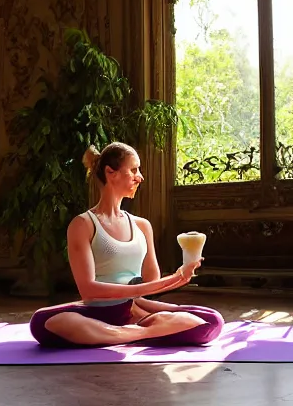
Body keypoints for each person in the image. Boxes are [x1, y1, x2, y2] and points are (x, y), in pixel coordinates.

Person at [29, 142, 225, 348]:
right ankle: (142, 333)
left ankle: (127, 333)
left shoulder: (142, 226)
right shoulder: (83, 224)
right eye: (133, 170)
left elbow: (151, 282)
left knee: (211, 320)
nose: (140, 177)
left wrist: (178, 278)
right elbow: (88, 291)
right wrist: (171, 280)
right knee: (43, 322)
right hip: (96, 311)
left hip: (134, 308)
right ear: (110, 173)